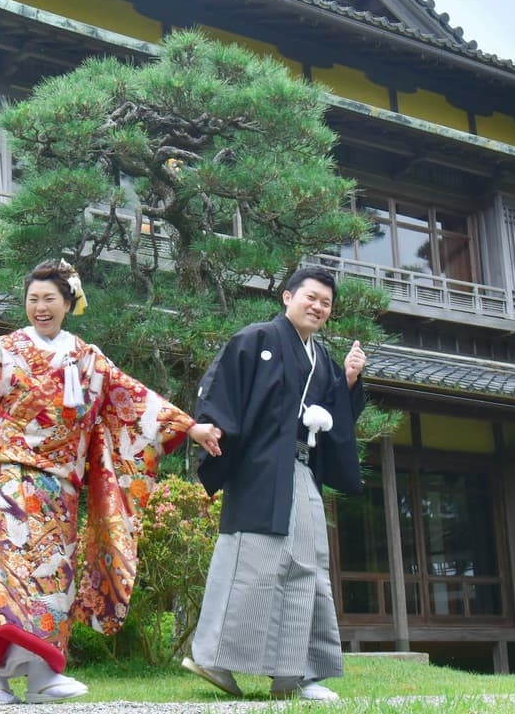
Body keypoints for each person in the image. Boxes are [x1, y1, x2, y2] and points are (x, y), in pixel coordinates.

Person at [0, 259, 223, 706]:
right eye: (32, 300)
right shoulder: (5, 349)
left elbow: (132, 397)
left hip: (64, 483)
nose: (40, 308)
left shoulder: (88, 357)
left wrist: (190, 426)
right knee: (18, 568)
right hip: (18, 475)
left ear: (67, 303)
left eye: (49, 300)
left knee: (54, 576)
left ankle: (39, 675)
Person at [182, 265, 367, 703]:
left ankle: (296, 674)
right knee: (250, 563)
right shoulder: (256, 339)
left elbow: (332, 416)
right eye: (312, 297)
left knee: (307, 565)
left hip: (301, 471)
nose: (318, 307)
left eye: (326, 303)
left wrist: (349, 381)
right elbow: (222, 391)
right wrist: (209, 429)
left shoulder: (320, 358)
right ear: (288, 297)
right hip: (259, 472)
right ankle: (214, 658)